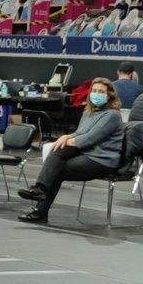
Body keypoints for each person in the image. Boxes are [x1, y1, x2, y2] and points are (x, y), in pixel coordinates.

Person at [16, 76, 125, 224]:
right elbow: (80, 133)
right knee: (59, 149)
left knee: (57, 169)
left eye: (101, 91)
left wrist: (67, 140)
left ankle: (40, 207)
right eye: (94, 90)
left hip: (102, 159)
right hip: (87, 153)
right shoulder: (89, 112)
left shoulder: (112, 115)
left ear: (109, 95)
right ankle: (39, 190)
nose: (96, 94)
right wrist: (65, 137)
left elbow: (89, 139)